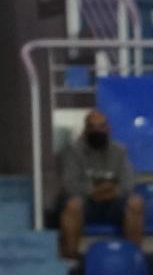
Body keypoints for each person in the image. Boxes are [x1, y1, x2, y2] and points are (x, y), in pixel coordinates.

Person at [55, 109, 144, 260]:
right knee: (72, 205)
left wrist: (111, 192)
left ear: (108, 129)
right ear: (85, 129)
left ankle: (133, 259)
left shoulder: (119, 151)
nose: (97, 131)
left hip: (113, 204)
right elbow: (70, 185)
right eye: (92, 127)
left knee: (136, 203)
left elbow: (128, 183)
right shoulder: (72, 152)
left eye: (101, 126)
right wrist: (96, 191)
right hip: (86, 205)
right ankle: (70, 261)